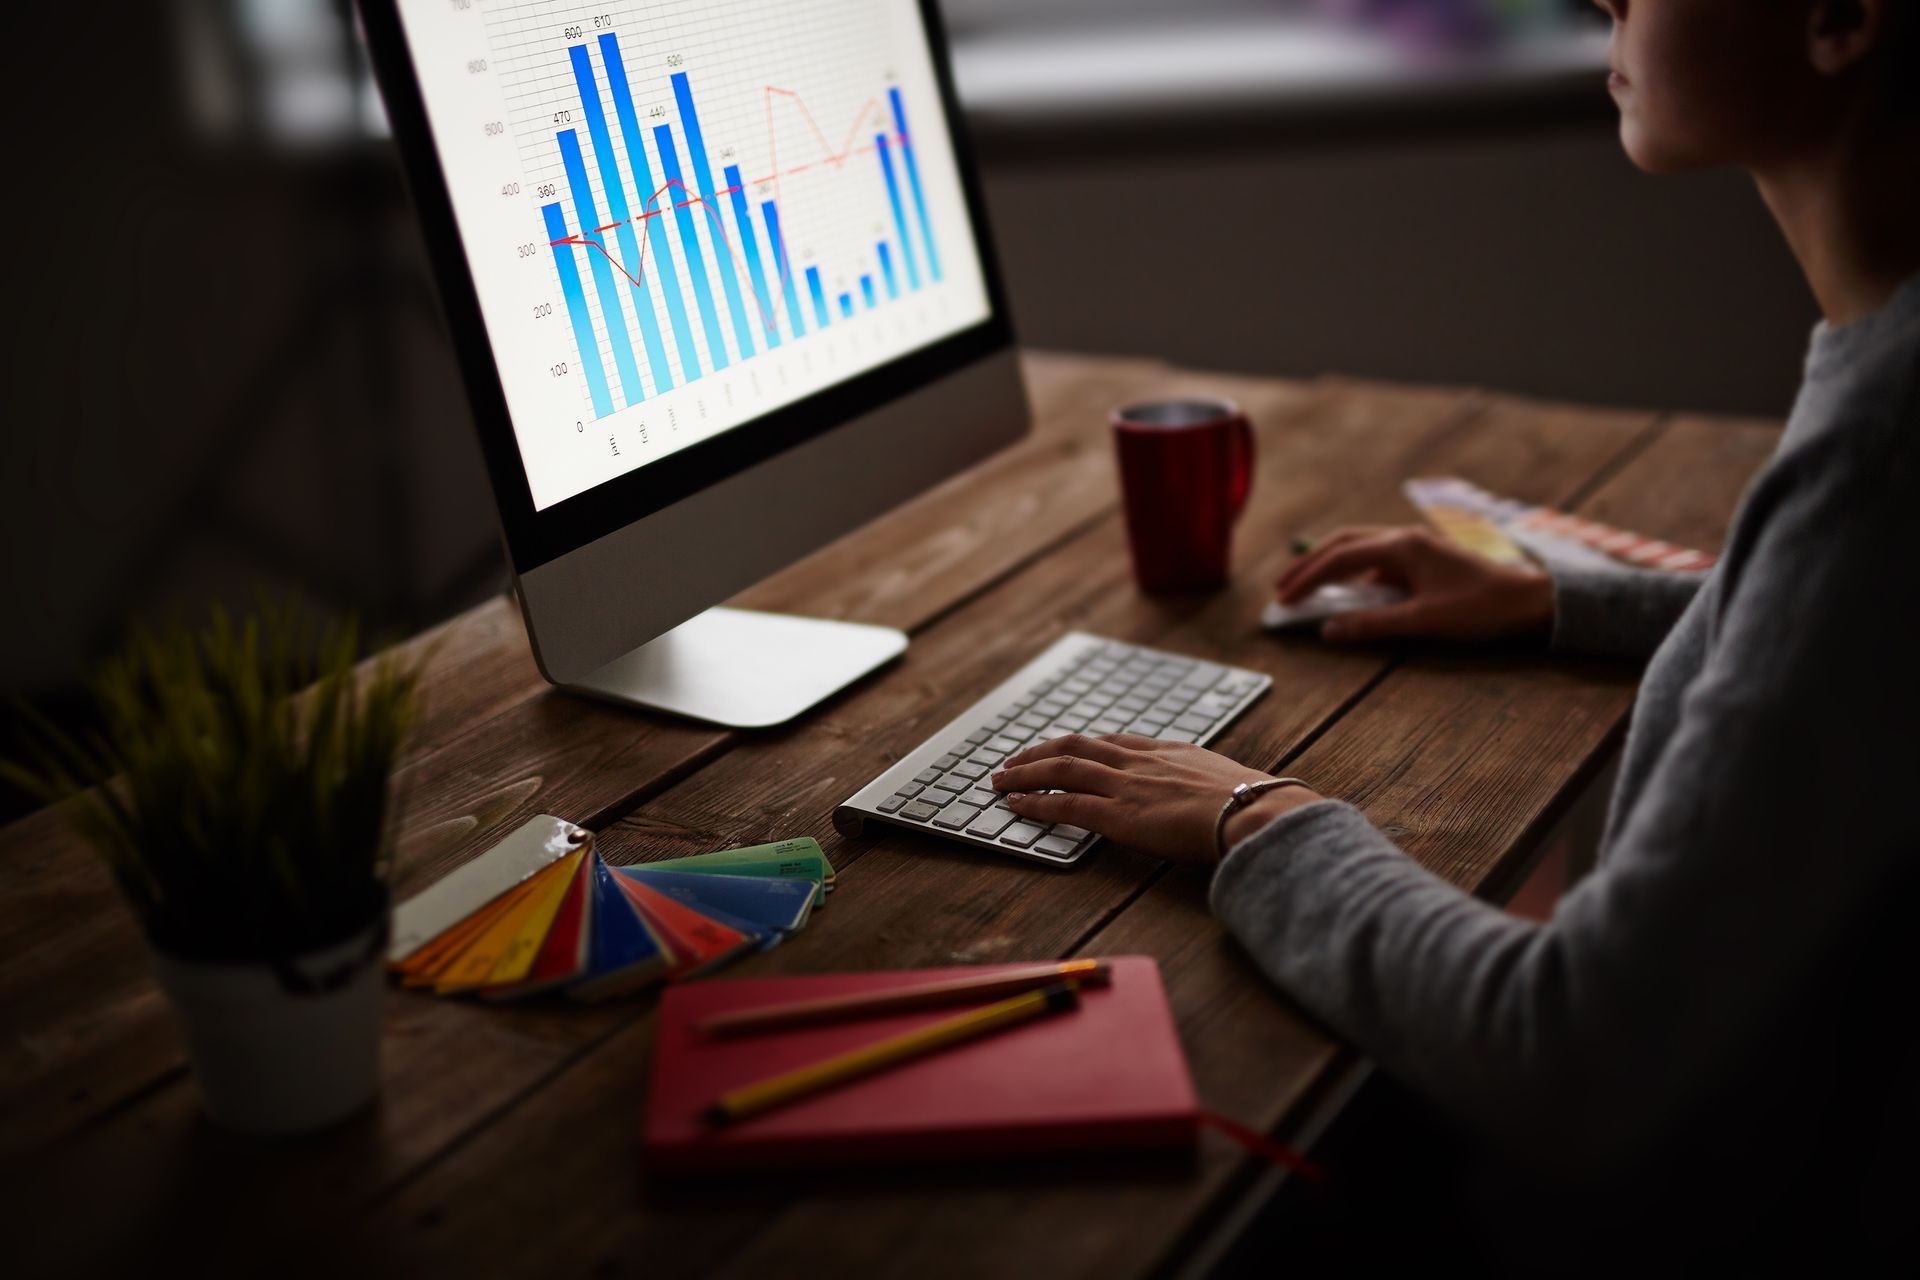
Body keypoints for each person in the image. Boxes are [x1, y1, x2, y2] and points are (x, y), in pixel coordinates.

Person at [991, 0, 1920, 1262]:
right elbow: (1838, 639)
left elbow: (1570, 1050)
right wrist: (1559, 596)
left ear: (1838, 19)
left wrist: (1253, 816)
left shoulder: (1879, 463)